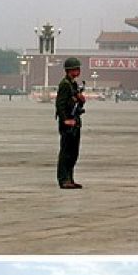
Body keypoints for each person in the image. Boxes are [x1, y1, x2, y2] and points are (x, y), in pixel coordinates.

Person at [55, 56, 86, 189]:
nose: (78, 71)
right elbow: (60, 104)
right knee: (66, 152)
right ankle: (63, 179)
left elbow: (75, 101)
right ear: (69, 70)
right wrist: (65, 119)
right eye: (75, 69)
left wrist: (80, 99)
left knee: (74, 153)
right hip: (68, 122)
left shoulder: (73, 84)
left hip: (75, 121)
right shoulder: (65, 84)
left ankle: (70, 178)